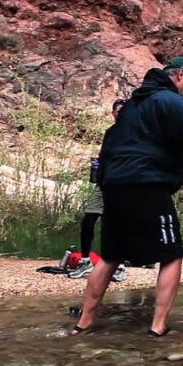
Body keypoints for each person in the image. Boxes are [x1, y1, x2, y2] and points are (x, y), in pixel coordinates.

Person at [72, 57, 183, 336]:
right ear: (180, 74)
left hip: (115, 186)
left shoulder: (131, 107)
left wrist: (105, 184)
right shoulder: (169, 100)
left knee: (110, 257)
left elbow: (110, 147)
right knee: (171, 255)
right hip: (148, 184)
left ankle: (84, 324)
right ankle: (158, 326)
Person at [69, 99, 128, 283]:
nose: (121, 115)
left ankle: (119, 266)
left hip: (122, 184)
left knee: (116, 225)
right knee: (88, 220)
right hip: (104, 183)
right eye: (118, 111)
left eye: (124, 111)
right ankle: (85, 260)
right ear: (113, 113)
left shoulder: (134, 131)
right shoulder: (110, 132)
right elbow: (105, 156)